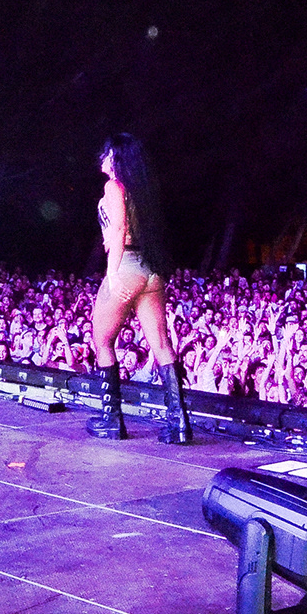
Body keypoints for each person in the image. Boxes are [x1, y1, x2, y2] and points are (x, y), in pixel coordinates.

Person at [87, 133, 189, 443]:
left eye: (107, 152)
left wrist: (112, 273)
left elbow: (119, 228)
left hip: (127, 265)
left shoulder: (114, 186)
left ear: (116, 157)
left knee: (102, 340)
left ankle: (112, 420)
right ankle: (179, 424)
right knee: (161, 343)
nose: (102, 157)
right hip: (150, 269)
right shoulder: (141, 189)